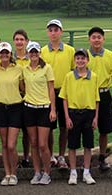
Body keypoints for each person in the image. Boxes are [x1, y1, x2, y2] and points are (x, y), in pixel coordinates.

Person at [60, 49, 99, 185]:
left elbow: (96, 99)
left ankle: (87, 172)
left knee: (88, 145)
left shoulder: (93, 76)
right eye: (78, 58)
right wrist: (66, 117)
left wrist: (96, 117)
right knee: (72, 145)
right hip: (73, 113)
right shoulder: (69, 76)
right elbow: (64, 98)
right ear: (74, 61)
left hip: (89, 113)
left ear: (87, 60)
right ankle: (73, 172)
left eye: (83, 58)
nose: (80, 61)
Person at [41, 19, 75, 170]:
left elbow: (74, 72)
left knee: (64, 126)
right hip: (48, 92)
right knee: (49, 127)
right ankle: (51, 155)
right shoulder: (42, 51)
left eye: (56, 30)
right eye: (51, 30)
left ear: (61, 32)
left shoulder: (69, 51)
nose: (53, 33)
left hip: (64, 92)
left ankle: (61, 156)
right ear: (48, 32)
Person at [0, 42, 24, 186]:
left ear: (10, 54)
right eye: (2, 53)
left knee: (11, 145)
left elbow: (23, 88)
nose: (4, 55)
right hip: (0, 107)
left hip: (16, 107)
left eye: (7, 52)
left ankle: (14, 173)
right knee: (4, 144)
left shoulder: (18, 69)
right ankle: (7, 173)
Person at [23, 42, 55, 185]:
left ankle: (47, 172)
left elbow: (51, 90)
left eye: (36, 52)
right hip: (29, 108)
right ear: (28, 53)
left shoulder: (47, 68)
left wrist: (53, 109)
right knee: (34, 143)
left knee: (43, 144)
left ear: (39, 53)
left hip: (44, 108)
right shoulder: (25, 69)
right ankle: (37, 172)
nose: (34, 54)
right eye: (31, 52)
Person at [87, 27, 112, 172]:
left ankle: (102, 157)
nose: (96, 40)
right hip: (88, 94)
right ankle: (88, 159)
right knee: (88, 128)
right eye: (93, 37)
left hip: (104, 94)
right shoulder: (84, 55)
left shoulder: (110, 55)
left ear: (103, 39)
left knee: (104, 129)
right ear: (89, 40)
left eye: (99, 37)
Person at [12, 29, 31, 168]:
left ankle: (26, 158)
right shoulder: (9, 58)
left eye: (22, 39)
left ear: (27, 42)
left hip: (29, 98)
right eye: (17, 39)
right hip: (15, 99)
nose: (19, 42)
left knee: (27, 132)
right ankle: (14, 158)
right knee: (13, 132)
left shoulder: (32, 57)